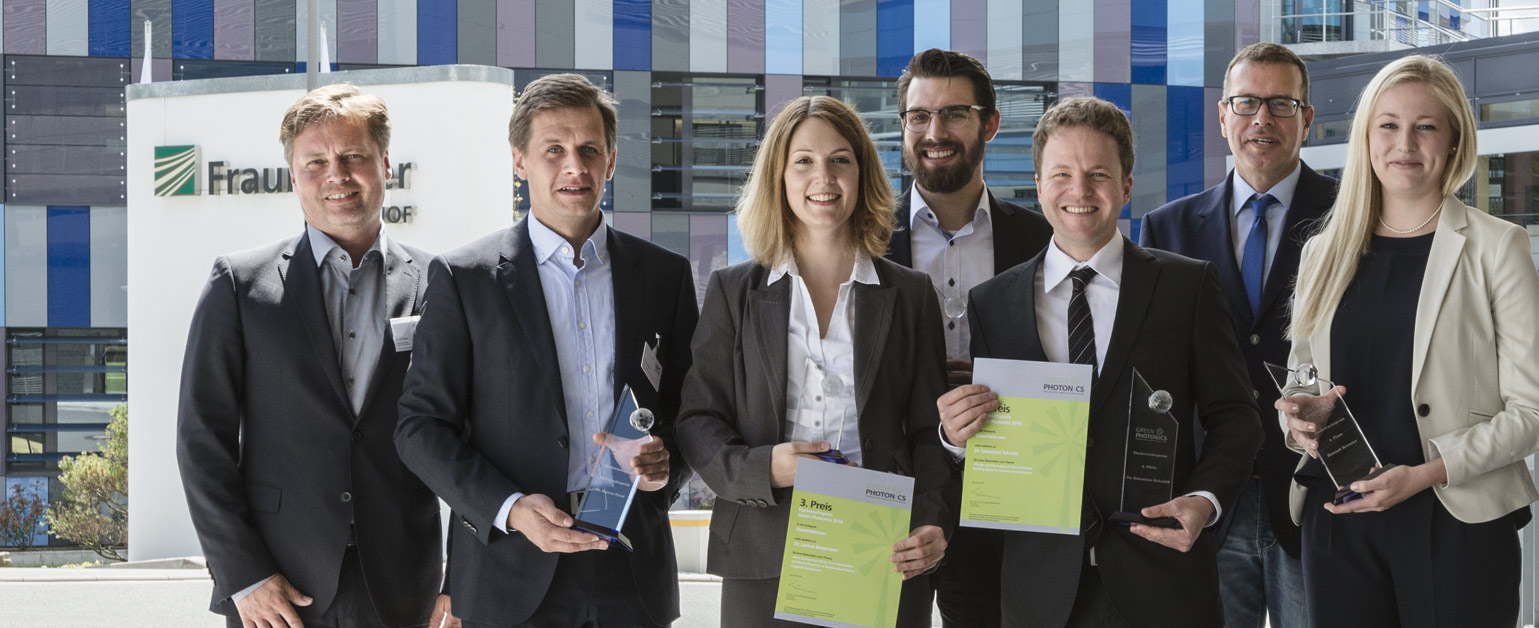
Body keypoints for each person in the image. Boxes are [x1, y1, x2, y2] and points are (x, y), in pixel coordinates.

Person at [934, 96, 1261, 628]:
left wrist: (1204, 500)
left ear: (1126, 187)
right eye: (1061, 174)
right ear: (1038, 185)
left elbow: (1237, 416)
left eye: (1098, 174)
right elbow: (992, 440)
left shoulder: (1187, 286)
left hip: (1163, 583)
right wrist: (954, 436)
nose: (1080, 191)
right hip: (1039, 592)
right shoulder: (993, 303)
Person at [396, 73, 697, 628]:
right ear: (520, 162)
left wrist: (665, 465)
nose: (574, 167)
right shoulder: (465, 278)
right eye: (553, 150)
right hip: (509, 570)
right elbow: (419, 428)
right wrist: (509, 510)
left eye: (589, 150)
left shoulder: (665, 276)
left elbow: (692, 412)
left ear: (610, 161)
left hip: (632, 568)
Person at [1273, 54, 1539, 627]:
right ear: (1366, 137)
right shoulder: (1321, 253)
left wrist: (1426, 472)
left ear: (1453, 141)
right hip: (1340, 520)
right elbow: (1301, 380)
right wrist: (1297, 419)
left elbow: (1537, 413)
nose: (1405, 141)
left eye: (1426, 126)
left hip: (1456, 522)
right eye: (1389, 124)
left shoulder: (1497, 247)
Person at [671, 95, 956, 628]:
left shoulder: (910, 293)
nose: (822, 176)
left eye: (839, 159)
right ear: (779, 176)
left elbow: (927, 430)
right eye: (803, 160)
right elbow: (697, 421)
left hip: (883, 548)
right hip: (763, 550)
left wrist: (935, 521)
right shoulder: (734, 290)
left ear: (862, 173)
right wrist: (766, 467)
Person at [177, 83, 454, 628]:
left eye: (354, 156)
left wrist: (463, 580)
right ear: (293, 175)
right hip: (278, 590)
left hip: (405, 587)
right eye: (316, 162)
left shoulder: (441, 284)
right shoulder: (239, 284)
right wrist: (244, 575)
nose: (338, 175)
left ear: (386, 164)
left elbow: (471, 436)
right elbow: (201, 440)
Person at [1138, 41, 1336, 628]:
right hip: (1205, 496)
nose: (1262, 119)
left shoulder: (1353, 215)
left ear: (1307, 119)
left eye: (1281, 104)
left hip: (1313, 491)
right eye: (1246, 102)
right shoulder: (1165, 227)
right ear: (1222, 116)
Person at [886, 47, 1052, 628]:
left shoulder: (1041, 239)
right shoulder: (860, 240)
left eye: (954, 114)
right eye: (918, 116)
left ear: (990, 124)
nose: (935, 132)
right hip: (893, 492)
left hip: (1006, 487)